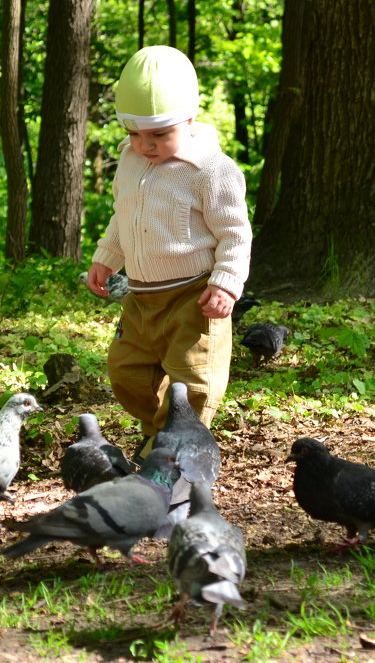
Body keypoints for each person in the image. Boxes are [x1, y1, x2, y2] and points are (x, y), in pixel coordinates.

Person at [86, 45, 252, 457]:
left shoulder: (212, 171)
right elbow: (123, 213)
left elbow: (235, 232)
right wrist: (107, 256)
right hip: (141, 295)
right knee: (126, 371)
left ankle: (177, 448)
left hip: (192, 296)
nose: (146, 145)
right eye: (134, 134)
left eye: (159, 134)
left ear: (190, 119)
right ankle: (156, 432)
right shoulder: (130, 160)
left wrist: (227, 284)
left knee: (192, 378)